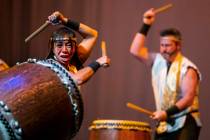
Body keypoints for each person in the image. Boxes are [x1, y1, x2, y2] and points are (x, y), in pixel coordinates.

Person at [130, 8, 201, 140]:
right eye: (161, 45)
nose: (163, 49)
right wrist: (146, 24)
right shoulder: (157, 60)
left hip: (184, 121)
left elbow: (188, 99)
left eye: (167, 45)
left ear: (178, 46)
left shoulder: (188, 68)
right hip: (165, 122)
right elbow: (135, 50)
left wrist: (166, 113)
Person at [47, 11, 110, 85]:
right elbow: (77, 80)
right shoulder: (50, 66)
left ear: (75, 48)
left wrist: (64, 20)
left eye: (69, 45)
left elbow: (92, 35)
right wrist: (98, 62)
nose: (64, 50)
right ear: (52, 48)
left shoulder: (73, 61)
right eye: (59, 45)